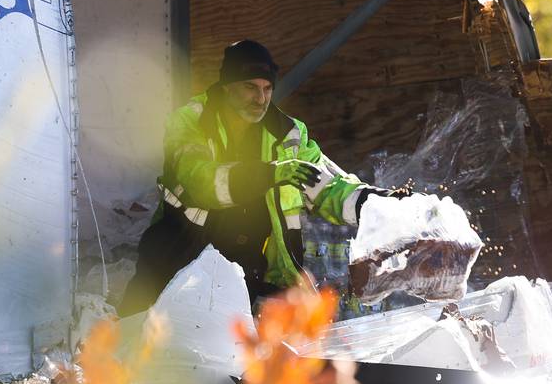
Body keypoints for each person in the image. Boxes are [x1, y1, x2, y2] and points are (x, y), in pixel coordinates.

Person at [119, 40, 404, 317]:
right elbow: (200, 182)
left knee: (244, 355)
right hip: (176, 262)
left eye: (267, 88)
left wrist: (384, 204)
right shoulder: (191, 122)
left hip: (247, 271)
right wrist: (270, 173)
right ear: (226, 86)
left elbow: (330, 187)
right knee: (139, 346)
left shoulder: (288, 133)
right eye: (250, 88)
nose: (261, 99)